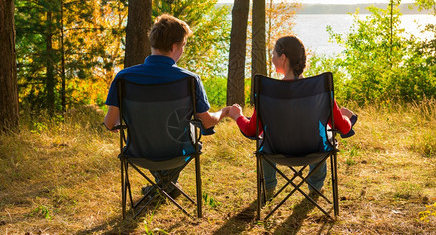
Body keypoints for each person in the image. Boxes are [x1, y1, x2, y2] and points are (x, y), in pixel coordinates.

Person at [103, 13, 230, 198]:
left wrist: (117, 123)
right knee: (188, 132)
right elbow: (207, 123)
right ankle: (167, 186)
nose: (183, 51)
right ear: (174, 47)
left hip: (139, 151)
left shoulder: (123, 78)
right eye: (183, 46)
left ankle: (162, 187)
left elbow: (109, 123)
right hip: (177, 152)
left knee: (155, 131)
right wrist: (224, 112)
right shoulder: (189, 80)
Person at [227, 35, 357, 200]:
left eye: (273, 54)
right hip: (313, 151)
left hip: (276, 152)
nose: (272, 58)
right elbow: (344, 128)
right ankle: (315, 188)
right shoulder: (319, 90)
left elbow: (252, 130)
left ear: (283, 58)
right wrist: (346, 116)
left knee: (262, 139)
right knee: (326, 135)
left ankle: (268, 187)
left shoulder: (268, 92)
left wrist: (237, 116)